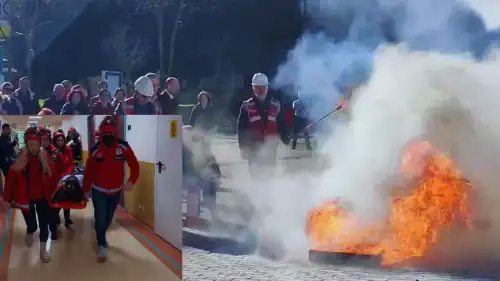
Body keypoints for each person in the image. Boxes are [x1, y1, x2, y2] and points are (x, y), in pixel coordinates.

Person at [82, 116, 140, 262]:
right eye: (105, 134)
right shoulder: (96, 150)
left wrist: (132, 181)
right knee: (100, 217)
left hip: (115, 191)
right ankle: (101, 244)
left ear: (115, 133)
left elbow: (134, 165)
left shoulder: (123, 147)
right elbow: (89, 171)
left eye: (111, 133)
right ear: (101, 134)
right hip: (98, 190)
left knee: (108, 219)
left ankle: (101, 234)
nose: (108, 136)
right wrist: (85, 189)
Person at [3, 126, 55, 263]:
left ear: (40, 144)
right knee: (33, 225)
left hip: (42, 197)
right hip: (26, 199)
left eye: (36, 144)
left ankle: (43, 250)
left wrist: (46, 167)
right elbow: (10, 180)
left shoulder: (45, 157)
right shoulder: (20, 160)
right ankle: (30, 231)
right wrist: (6, 198)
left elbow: (52, 176)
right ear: (26, 144)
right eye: (30, 145)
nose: (33, 148)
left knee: (44, 225)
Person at [237, 73, 290, 178]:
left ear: (267, 88)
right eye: (258, 88)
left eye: (263, 88)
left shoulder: (276, 105)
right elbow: (241, 128)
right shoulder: (246, 106)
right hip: (254, 149)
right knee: (256, 176)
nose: (261, 91)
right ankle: (257, 194)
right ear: (253, 89)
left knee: (269, 175)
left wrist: (286, 137)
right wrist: (243, 147)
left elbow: (281, 124)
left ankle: (267, 193)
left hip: (270, 149)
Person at [39, 127, 72, 235]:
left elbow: (63, 166)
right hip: (42, 187)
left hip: (54, 186)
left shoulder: (55, 152)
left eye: (46, 139)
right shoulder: (37, 152)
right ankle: (48, 229)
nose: (45, 142)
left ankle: (53, 231)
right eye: (42, 139)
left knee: (53, 209)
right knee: (45, 211)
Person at [52, 129, 74, 227]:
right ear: (55, 141)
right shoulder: (53, 151)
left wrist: (67, 174)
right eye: (58, 141)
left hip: (66, 177)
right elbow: (53, 165)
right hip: (56, 178)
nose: (60, 142)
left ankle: (67, 218)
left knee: (67, 198)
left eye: (62, 140)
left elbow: (70, 163)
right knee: (57, 198)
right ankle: (56, 216)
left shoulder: (68, 150)